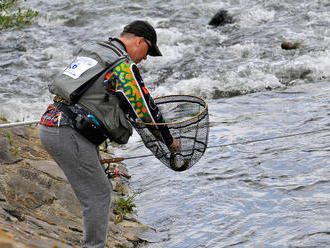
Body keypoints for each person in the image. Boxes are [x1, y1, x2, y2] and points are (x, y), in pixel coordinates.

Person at [38, 20, 180, 248]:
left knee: (95, 189)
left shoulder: (96, 50)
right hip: (68, 132)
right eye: (148, 52)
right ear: (140, 41)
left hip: (50, 124)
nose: (145, 58)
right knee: (99, 194)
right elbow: (145, 109)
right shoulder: (122, 66)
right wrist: (169, 140)